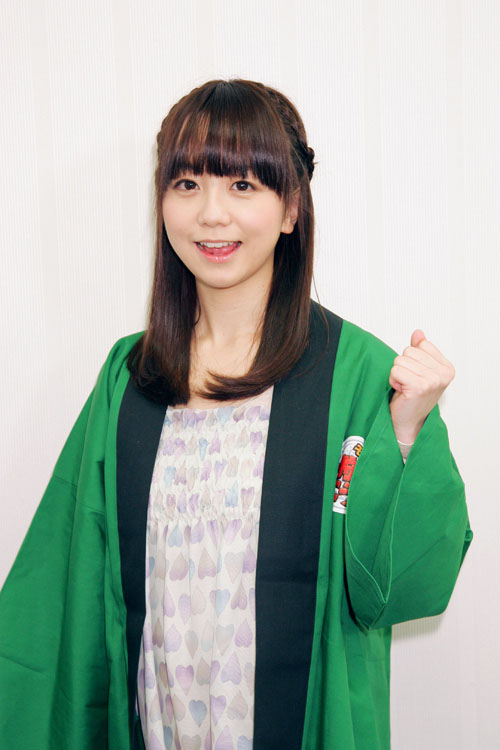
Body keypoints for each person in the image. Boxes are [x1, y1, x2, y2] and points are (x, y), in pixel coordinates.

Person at [0, 78, 473, 750]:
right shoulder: (129, 378)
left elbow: (398, 592)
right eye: (187, 183)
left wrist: (405, 430)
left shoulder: (358, 373)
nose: (211, 214)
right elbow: (57, 591)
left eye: (243, 185)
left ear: (291, 208)